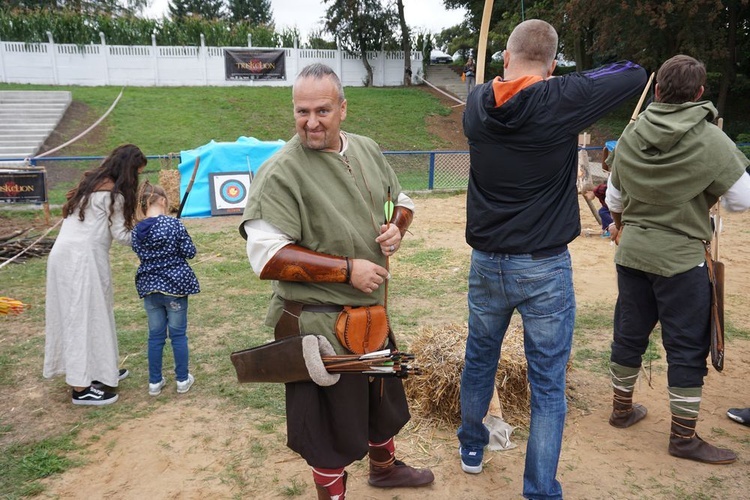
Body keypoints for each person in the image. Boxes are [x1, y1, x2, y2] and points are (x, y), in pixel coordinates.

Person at [458, 19, 647, 499]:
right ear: (554, 64)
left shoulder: (477, 105)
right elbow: (633, 72)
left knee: (480, 359)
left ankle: (471, 447)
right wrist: (561, 83)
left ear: (504, 58)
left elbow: (513, 91)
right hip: (542, 267)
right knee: (546, 384)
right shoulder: (558, 98)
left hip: (487, 262)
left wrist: (548, 82)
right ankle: (540, 489)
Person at [239, 63, 434, 499]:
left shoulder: (365, 149)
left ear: (343, 108)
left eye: (322, 110)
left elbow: (398, 200)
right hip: (319, 325)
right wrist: (348, 270)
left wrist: (396, 226)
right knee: (327, 426)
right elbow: (267, 256)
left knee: (380, 400)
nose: (311, 121)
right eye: (301, 111)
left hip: (372, 317)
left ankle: (383, 469)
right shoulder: (280, 172)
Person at [605, 54, 750, 464]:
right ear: (700, 93)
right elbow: (743, 200)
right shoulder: (712, 140)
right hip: (682, 261)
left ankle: (620, 411)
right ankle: (683, 439)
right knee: (686, 348)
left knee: (629, 334)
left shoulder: (630, 136)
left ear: (656, 90)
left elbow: (614, 199)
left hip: (631, 253)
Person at [44, 144, 147, 406]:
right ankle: (81, 388)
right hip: (81, 260)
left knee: (93, 313)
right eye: (136, 172)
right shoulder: (112, 195)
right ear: (128, 170)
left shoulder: (91, 186)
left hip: (67, 257)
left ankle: (102, 370)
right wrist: (152, 229)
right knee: (81, 316)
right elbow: (122, 235)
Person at [132, 183, 199, 396]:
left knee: (155, 336)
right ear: (162, 201)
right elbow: (190, 252)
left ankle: (154, 382)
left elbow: (140, 252)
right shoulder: (173, 225)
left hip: (149, 287)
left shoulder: (137, 230)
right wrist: (178, 233)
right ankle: (181, 380)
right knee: (178, 335)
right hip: (174, 287)